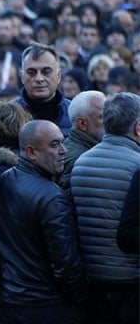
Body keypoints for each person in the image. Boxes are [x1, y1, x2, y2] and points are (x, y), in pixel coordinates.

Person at [0, 120, 88, 323]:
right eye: (54, 144)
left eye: (63, 142)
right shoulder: (52, 198)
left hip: (11, 299)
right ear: (31, 152)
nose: (63, 150)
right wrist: (80, 301)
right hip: (46, 304)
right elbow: (65, 263)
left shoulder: (4, 181)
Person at [70, 92, 140, 324]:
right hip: (131, 282)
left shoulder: (80, 163)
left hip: (91, 280)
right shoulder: (137, 166)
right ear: (138, 128)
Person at [14, 42, 72, 137]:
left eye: (46, 72)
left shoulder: (74, 115)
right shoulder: (8, 116)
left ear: (58, 76)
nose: (39, 79)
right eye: (32, 73)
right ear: (22, 77)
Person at [58, 91, 105, 193]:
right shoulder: (79, 159)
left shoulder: (84, 149)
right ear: (82, 123)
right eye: (102, 117)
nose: (108, 121)